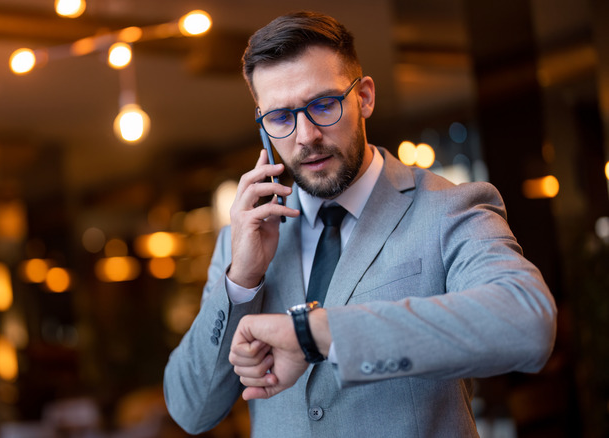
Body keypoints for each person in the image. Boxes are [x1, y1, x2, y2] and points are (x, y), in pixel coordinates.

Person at [163, 11, 556, 437]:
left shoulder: (448, 207)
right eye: (280, 118)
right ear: (263, 125)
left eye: (324, 105)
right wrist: (241, 278)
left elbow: (527, 324)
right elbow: (190, 409)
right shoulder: (241, 240)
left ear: (364, 97)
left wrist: (314, 335)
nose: (306, 135)